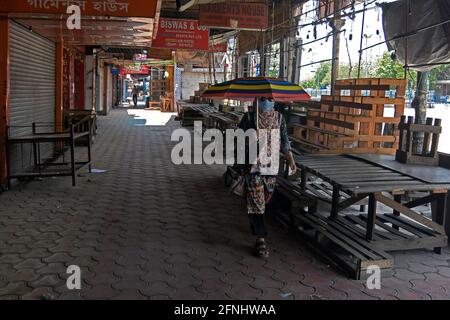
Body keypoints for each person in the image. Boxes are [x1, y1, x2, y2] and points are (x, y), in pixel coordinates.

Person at [238, 97, 297, 259]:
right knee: (257, 202)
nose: (266, 102)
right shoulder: (249, 118)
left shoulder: (279, 119)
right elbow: (237, 141)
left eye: (269, 99)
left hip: (271, 168)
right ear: (257, 100)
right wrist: (251, 137)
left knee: (265, 199)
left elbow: (285, 140)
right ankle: (260, 238)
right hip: (253, 168)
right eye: (263, 99)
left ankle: (254, 214)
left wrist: (291, 160)